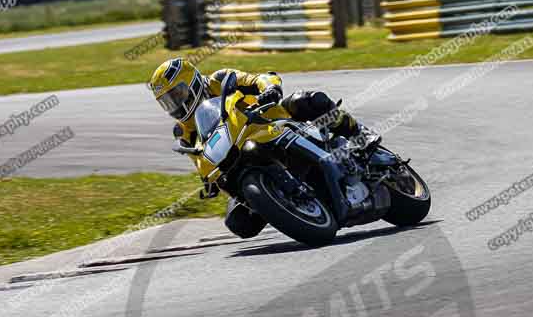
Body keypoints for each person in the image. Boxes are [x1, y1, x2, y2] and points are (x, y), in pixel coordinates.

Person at [148, 58, 374, 238]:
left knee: (311, 100)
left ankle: (359, 133)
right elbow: (199, 160)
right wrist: (209, 182)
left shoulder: (220, 79)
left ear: (192, 83)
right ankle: (285, 203)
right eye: (167, 101)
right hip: (238, 155)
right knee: (239, 223)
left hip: (272, 121)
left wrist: (269, 89)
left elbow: (262, 78)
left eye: (177, 94)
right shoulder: (184, 130)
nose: (175, 104)